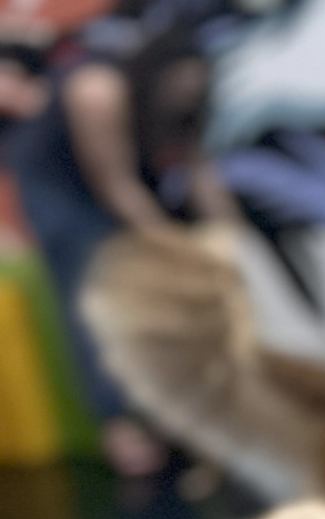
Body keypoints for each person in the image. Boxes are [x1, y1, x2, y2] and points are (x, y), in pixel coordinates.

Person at [7, 17, 234, 482]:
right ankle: (132, 445)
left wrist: (228, 235)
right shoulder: (98, 90)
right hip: (62, 185)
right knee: (95, 298)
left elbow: (195, 164)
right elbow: (119, 188)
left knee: (165, 291)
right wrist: (179, 249)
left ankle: (182, 431)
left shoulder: (185, 87)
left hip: (108, 172)